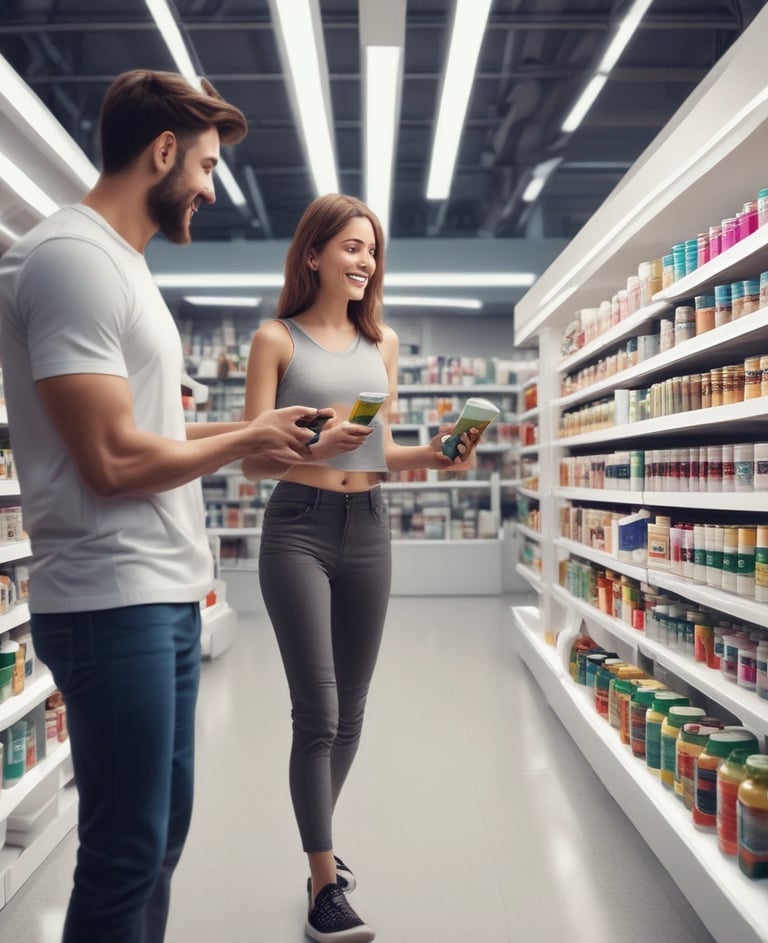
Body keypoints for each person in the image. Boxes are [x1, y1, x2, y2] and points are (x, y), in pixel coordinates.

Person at [0, 70, 338, 943]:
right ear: (161, 153)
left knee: (156, 843)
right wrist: (247, 438)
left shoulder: (124, 268)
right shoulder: (70, 260)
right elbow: (110, 460)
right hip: (112, 600)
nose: (213, 189)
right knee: (124, 852)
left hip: (160, 594)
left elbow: (144, 429)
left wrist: (250, 429)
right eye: (207, 166)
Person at [242, 193, 479, 942]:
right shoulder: (273, 340)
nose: (364, 260)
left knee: (353, 710)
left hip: (370, 528)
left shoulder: (385, 344)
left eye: (372, 249)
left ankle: (320, 846)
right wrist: (318, 447)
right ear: (313, 253)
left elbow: (380, 451)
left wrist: (437, 456)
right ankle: (323, 883)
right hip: (298, 532)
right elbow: (251, 459)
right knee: (317, 709)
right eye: (350, 245)